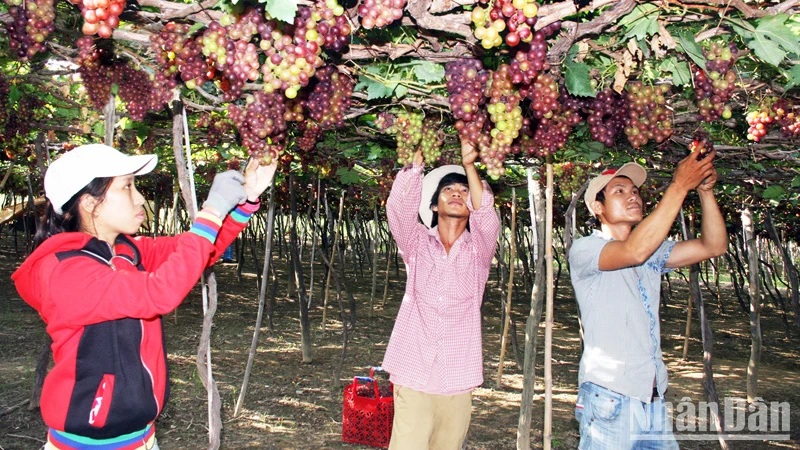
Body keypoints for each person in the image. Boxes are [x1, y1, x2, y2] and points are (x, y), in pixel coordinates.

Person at [12, 143, 276, 450]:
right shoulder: (66, 272)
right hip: (89, 443)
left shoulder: (126, 251)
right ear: (89, 202)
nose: (139, 198)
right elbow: (160, 293)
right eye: (126, 187)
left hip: (140, 436)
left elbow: (196, 251)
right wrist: (212, 210)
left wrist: (247, 199)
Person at [568, 150, 728, 449]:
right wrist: (679, 186)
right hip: (610, 395)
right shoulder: (586, 251)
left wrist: (705, 192)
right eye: (619, 191)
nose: (633, 197)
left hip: (651, 397)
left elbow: (713, 245)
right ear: (597, 207)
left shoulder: (652, 253)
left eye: (635, 191)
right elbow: (633, 252)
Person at [382, 138, 501, 450]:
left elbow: (487, 214)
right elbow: (397, 209)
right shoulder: (416, 243)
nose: (457, 194)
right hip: (413, 370)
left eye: (463, 191)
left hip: (457, 376)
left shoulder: (480, 251)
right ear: (434, 205)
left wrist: (470, 166)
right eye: (448, 190)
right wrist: (413, 166)